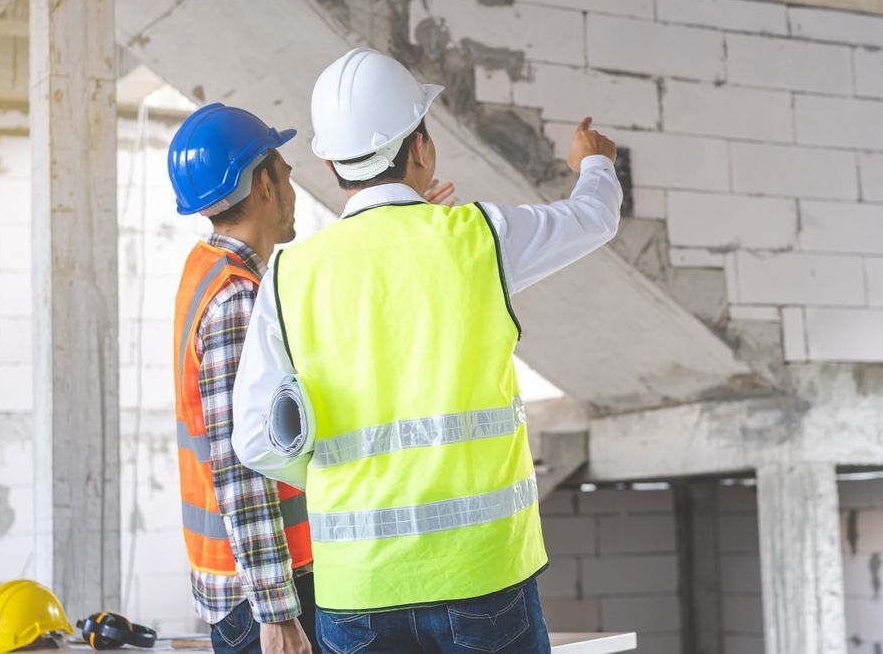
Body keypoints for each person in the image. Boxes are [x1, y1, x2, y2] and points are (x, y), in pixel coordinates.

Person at [232, 47, 621, 654]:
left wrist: (345, 476)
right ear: (421, 148)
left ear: (332, 163)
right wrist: (594, 163)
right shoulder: (479, 241)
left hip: (357, 590)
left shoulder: (290, 275)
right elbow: (594, 217)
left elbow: (256, 441)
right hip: (485, 576)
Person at [168, 103, 316, 654]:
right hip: (264, 591)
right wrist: (276, 610)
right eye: (285, 172)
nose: (292, 187)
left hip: (237, 578)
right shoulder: (236, 299)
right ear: (263, 186)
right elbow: (241, 462)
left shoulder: (204, 268)